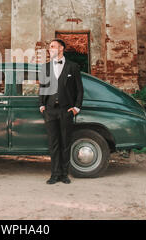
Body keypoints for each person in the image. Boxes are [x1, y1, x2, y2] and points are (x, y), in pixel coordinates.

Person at [39, 38, 84, 184]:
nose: (50, 49)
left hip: (66, 110)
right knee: (53, 143)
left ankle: (64, 174)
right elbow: (42, 87)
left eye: (52, 46)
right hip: (50, 110)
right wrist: (42, 105)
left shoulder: (73, 67)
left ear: (61, 48)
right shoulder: (45, 67)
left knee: (65, 143)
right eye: (49, 46)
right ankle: (54, 174)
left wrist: (76, 108)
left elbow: (79, 89)